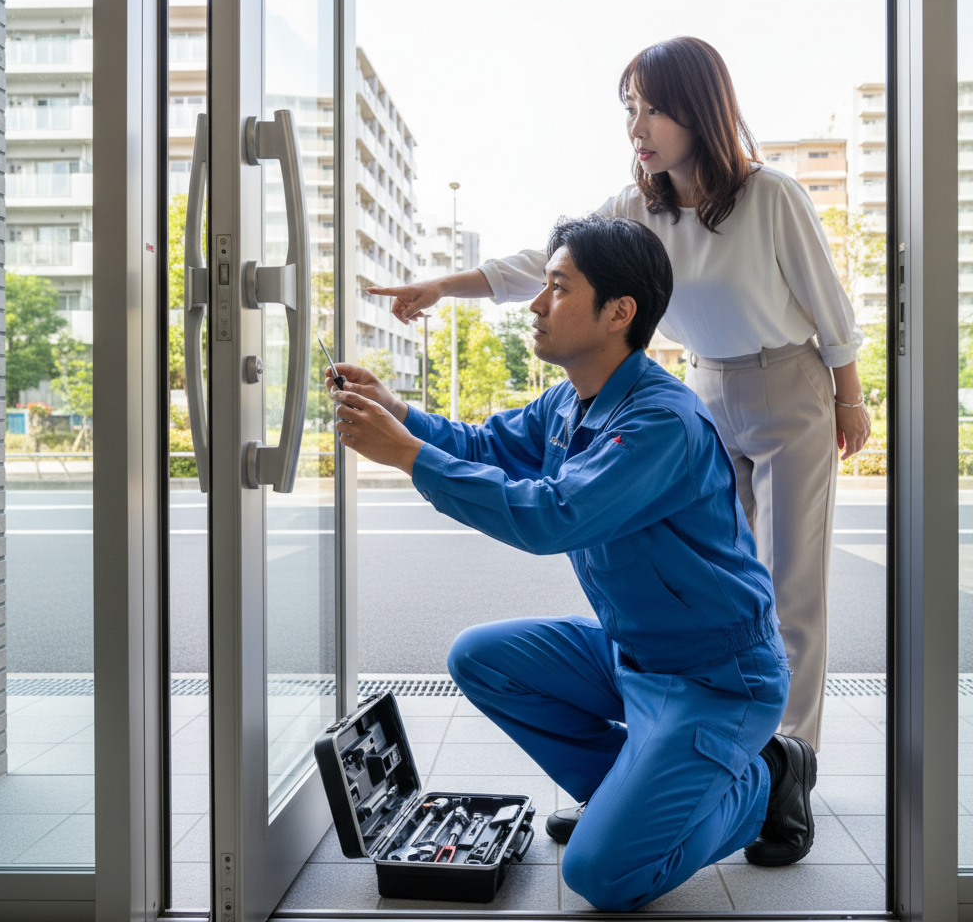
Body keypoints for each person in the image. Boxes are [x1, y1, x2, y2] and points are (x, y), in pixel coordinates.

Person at [367, 37, 871, 753]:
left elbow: (830, 308)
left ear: (701, 111)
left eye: (655, 110)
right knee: (724, 588)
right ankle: (718, 748)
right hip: (705, 389)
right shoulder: (637, 205)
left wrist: (849, 400)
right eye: (631, 109)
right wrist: (444, 287)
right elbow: (547, 263)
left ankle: (793, 763)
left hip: (789, 386)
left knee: (792, 590)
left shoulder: (772, 194)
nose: (638, 128)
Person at [326, 213, 816, 911]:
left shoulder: (660, 423)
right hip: (633, 657)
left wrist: (405, 455)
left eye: (556, 287)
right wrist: (399, 413)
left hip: (715, 679)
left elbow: (553, 515)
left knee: (602, 876)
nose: (535, 303)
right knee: (479, 657)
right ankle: (629, 788)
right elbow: (486, 446)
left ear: (619, 313)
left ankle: (765, 781)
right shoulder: (570, 401)